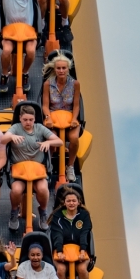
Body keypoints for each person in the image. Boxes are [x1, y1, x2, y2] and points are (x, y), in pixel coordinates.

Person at [2, 104, 62, 231]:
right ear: (20, 118)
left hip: (37, 170)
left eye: (30, 120)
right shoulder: (16, 128)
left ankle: (43, 212)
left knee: (42, 189)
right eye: (25, 120)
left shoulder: (40, 128)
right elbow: (3, 139)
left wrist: (48, 142)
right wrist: (11, 136)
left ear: (34, 119)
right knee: (17, 190)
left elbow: (59, 142)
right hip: (19, 171)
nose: (28, 122)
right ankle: (14, 212)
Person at [50, 186, 92, 279]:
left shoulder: (84, 215)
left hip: (80, 249)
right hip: (62, 249)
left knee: (82, 269)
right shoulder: (58, 216)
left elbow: (85, 233)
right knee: (61, 270)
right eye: (69, 201)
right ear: (64, 202)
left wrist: (83, 250)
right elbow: (57, 234)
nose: (71, 203)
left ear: (79, 202)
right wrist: (60, 251)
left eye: (74, 201)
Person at [42, 53, 80, 182]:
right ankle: (48, 166)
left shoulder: (75, 84)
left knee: (74, 138)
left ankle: (70, 166)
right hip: (53, 116)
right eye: (59, 68)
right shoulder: (48, 84)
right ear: (54, 69)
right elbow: (45, 105)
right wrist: (48, 118)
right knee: (52, 141)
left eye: (64, 68)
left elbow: (76, 105)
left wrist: (75, 119)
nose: (61, 71)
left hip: (69, 117)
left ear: (68, 69)